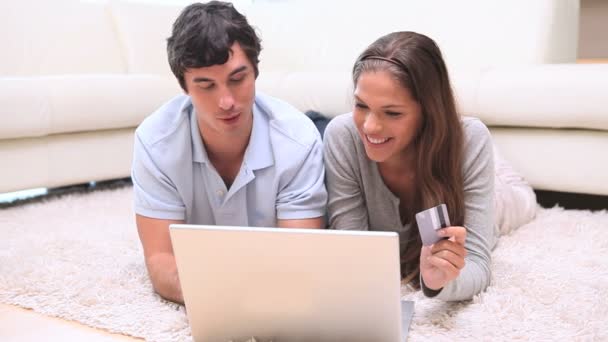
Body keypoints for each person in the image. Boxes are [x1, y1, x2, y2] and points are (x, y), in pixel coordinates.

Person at [132, 1, 327, 304]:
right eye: (206, 85)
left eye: (237, 79)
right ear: (184, 86)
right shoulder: (155, 142)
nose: (226, 101)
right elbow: (160, 258)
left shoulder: (299, 141)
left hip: (302, 130)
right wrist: (215, 296)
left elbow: (300, 260)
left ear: (256, 72)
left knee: (331, 131)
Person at [323, 31, 536, 301]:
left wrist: (440, 283)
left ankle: (487, 156)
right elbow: (351, 250)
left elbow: (479, 266)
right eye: (361, 105)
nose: (370, 126)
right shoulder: (342, 135)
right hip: (444, 141)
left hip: (489, 187)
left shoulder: (469, 140)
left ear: (428, 111)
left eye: (392, 113)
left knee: (521, 196)